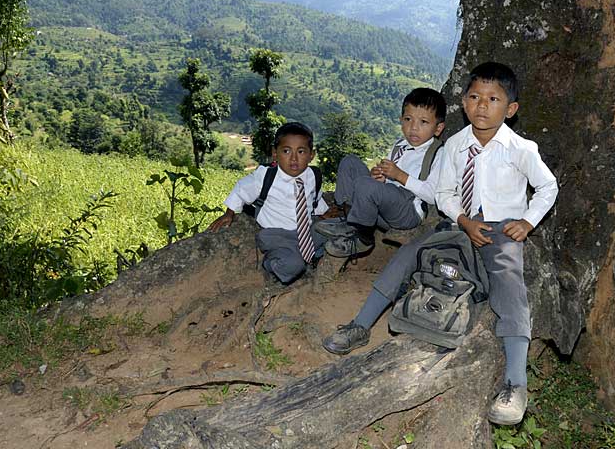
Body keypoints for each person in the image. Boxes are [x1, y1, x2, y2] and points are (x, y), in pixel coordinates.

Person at [321, 62, 558, 427]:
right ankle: (359, 324)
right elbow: (445, 192)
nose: (483, 106)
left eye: (493, 99)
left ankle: (515, 383)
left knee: (509, 284)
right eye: (475, 97)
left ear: (510, 109)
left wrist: (526, 222)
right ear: (463, 102)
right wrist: (463, 220)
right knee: (407, 255)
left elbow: (548, 186)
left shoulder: (520, 148)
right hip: (458, 222)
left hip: (500, 229)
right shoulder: (455, 146)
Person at [316, 87, 447, 258]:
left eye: (423, 122)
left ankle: (361, 238)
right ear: (401, 120)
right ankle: (348, 220)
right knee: (350, 163)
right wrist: (378, 177)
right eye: (408, 119)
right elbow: (383, 182)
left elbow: (432, 195)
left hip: (408, 211)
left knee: (367, 185)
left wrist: (399, 175)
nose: (413, 128)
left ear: (438, 128)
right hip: (381, 206)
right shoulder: (399, 144)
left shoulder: (438, 152)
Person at [208, 122, 330, 285]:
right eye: (286, 151)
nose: (294, 158)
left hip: (306, 230)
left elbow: (313, 197)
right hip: (277, 235)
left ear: (311, 155)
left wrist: (324, 212)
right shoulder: (266, 176)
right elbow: (241, 189)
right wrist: (229, 213)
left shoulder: (312, 175)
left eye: (301, 151)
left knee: (337, 231)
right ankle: (271, 264)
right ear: (275, 154)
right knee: (294, 265)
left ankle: (311, 253)